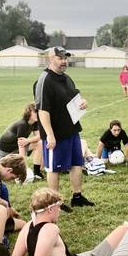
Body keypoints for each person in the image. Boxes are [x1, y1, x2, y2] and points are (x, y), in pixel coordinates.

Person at [5, 188, 127, 256]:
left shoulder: (27, 227)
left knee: (92, 253)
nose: (60, 211)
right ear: (50, 209)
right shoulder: (50, 230)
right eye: (59, 207)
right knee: (123, 230)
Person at [33, 46, 94, 208]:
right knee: (53, 168)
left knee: (76, 163)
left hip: (72, 130)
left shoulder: (66, 78)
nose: (64, 61)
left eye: (65, 58)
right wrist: (50, 135)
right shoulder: (44, 80)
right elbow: (42, 110)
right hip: (56, 134)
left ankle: (77, 197)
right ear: (50, 59)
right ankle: (54, 202)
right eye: (60, 58)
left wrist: (83, 102)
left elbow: (75, 97)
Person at [0, 103, 44, 179]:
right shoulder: (22, 124)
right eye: (35, 111)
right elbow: (21, 145)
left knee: (40, 143)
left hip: (17, 148)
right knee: (8, 173)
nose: (37, 113)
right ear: (28, 112)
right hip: (6, 152)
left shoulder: (34, 122)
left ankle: (37, 171)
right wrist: (23, 169)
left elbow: (39, 136)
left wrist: (28, 140)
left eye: (38, 111)